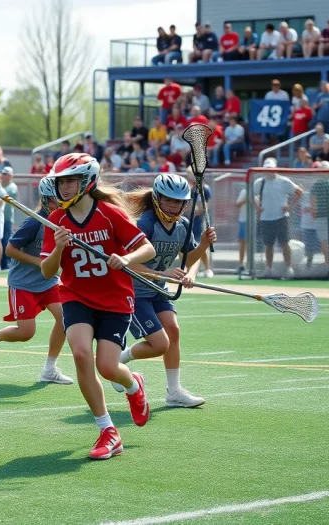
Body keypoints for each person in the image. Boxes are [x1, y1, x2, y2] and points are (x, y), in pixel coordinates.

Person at [39, 153, 156, 460]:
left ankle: (133, 384)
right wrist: (59, 246)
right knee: (79, 353)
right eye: (61, 181)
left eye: (70, 181)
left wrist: (126, 259)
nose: (64, 188)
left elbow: (147, 248)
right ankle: (108, 430)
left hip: (116, 299)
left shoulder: (109, 214)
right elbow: (47, 272)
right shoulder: (55, 221)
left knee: (107, 367)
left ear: (87, 181)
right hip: (76, 295)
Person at [116, 174, 215, 408]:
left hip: (157, 290)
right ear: (158, 198)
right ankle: (119, 360)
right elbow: (127, 263)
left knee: (174, 331)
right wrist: (163, 274)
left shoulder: (182, 226)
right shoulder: (144, 224)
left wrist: (194, 263)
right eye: (168, 200)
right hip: (134, 292)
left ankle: (174, 392)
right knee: (160, 344)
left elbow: (190, 258)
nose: (173, 206)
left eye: (178, 202)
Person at [0, 177, 73, 385]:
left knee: (66, 319)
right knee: (26, 333)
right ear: (47, 200)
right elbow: (10, 249)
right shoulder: (33, 222)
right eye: (58, 201)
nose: (64, 204)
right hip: (23, 283)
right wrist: (38, 262)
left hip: (48, 281)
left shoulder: (65, 221)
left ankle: (49, 369)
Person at [254, 157, 303, 278]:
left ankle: (289, 268)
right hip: (266, 218)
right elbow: (251, 195)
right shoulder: (259, 182)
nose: (269, 171)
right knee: (268, 245)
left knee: (284, 243)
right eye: (267, 168)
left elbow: (299, 192)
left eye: (271, 168)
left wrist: (290, 206)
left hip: (281, 217)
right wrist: (257, 207)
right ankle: (269, 269)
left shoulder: (284, 181)